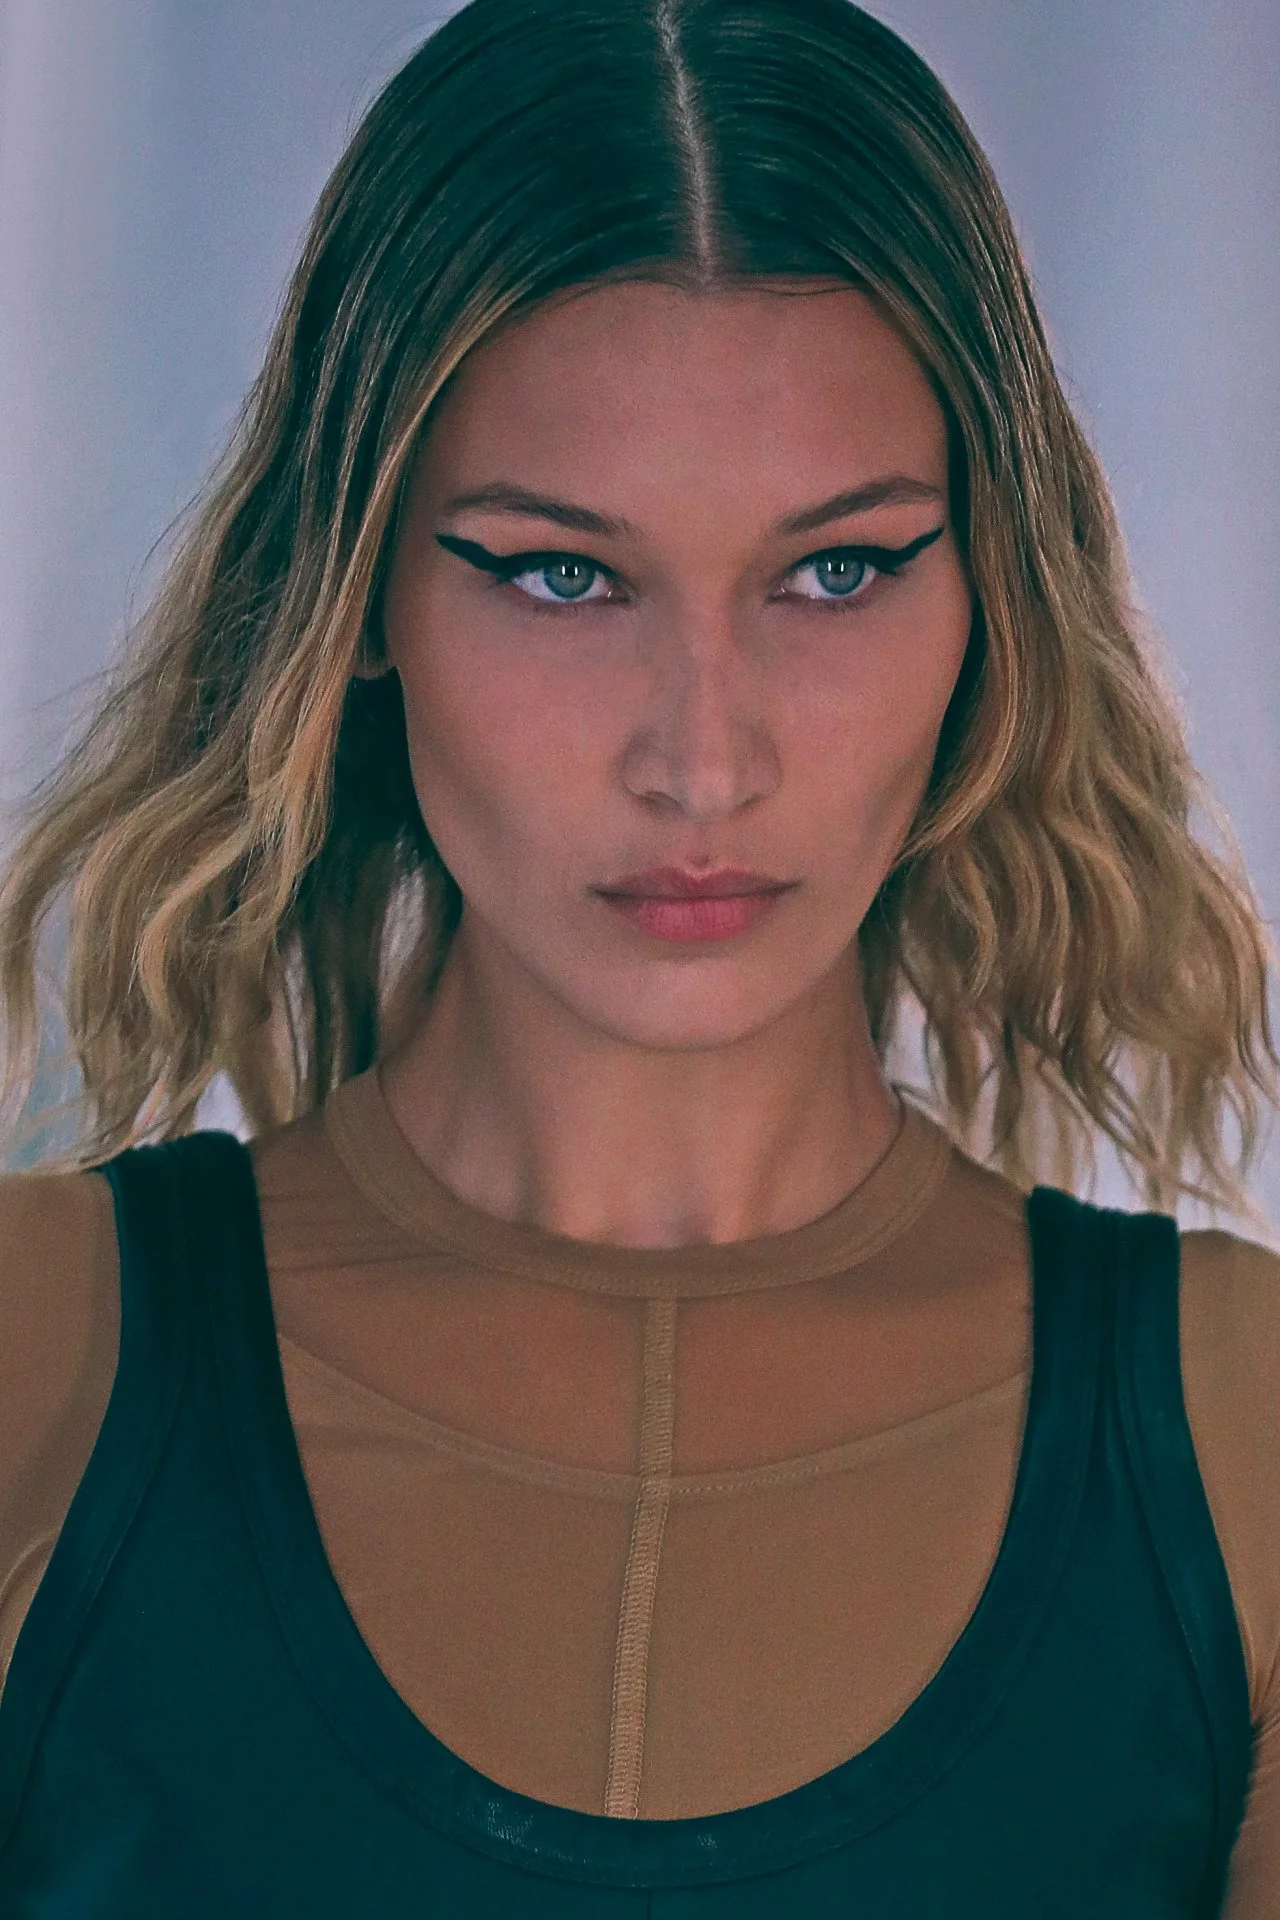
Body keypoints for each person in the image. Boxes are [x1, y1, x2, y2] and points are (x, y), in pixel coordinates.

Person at [0, 0, 1276, 1910]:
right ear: (352, 591)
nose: (704, 755)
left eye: (837, 570)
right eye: (559, 573)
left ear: (994, 597)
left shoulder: (1249, 1449)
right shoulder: (32, 1368)